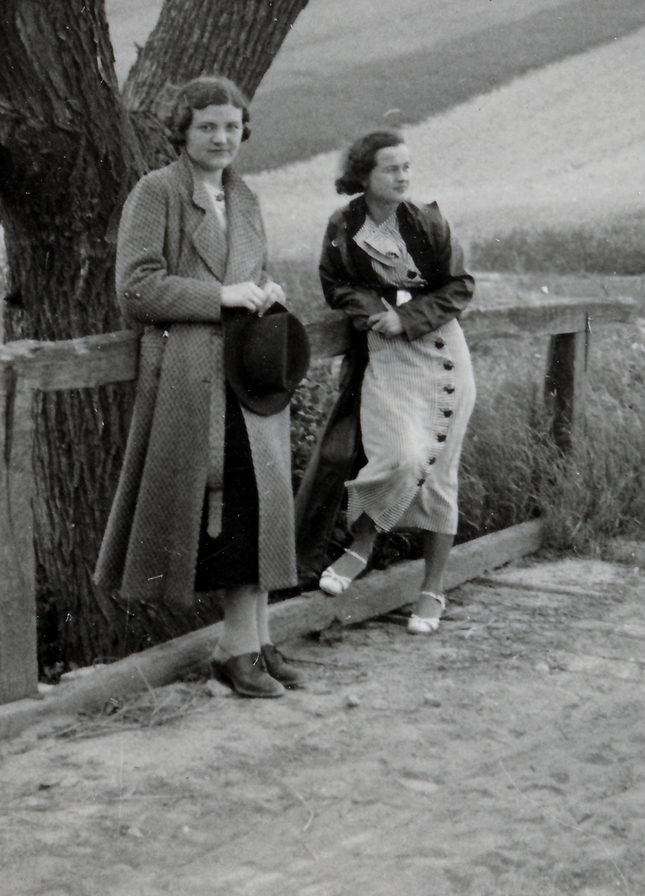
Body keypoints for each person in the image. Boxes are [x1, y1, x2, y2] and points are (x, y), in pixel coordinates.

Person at [94, 75, 304, 698]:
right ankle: (232, 650)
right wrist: (221, 296)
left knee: (262, 505)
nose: (221, 138)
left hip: (250, 379)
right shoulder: (156, 193)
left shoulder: (246, 198)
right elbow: (135, 289)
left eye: (232, 127)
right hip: (191, 379)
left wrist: (266, 291)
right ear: (182, 131)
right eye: (207, 126)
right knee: (229, 504)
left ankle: (259, 642)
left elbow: (251, 273)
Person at [294, 130, 476, 634]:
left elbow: (460, 285)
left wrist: (409, 316)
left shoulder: (428, 221)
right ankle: (362, 546)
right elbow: (336, 284)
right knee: (399, 456)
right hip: (385, 355)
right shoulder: (343, 225)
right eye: (391, 169)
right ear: (364, 176)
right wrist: (374, 311)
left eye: (407, 168)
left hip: (440, 352)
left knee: (438, 473)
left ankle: (432, 589)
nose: (403, 177)